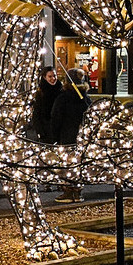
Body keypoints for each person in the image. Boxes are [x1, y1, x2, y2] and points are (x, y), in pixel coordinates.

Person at [51, 68, 92, 203]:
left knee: (67, 165)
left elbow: (56, 118)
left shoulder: (63, 98)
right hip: (82, 137)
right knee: (79, 164)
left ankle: (68, 191)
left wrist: (55, 136)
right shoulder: (85, 98)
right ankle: (77, 191)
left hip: (67, 136)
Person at [32, 66, 63, 144]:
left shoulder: (61, 90)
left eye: (54, 76)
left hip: (60, 128)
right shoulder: (41, 93)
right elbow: (36, 114)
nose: (53, 78)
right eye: (50, 76)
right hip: (46, 129)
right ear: (44, 77)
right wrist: (40, 132)